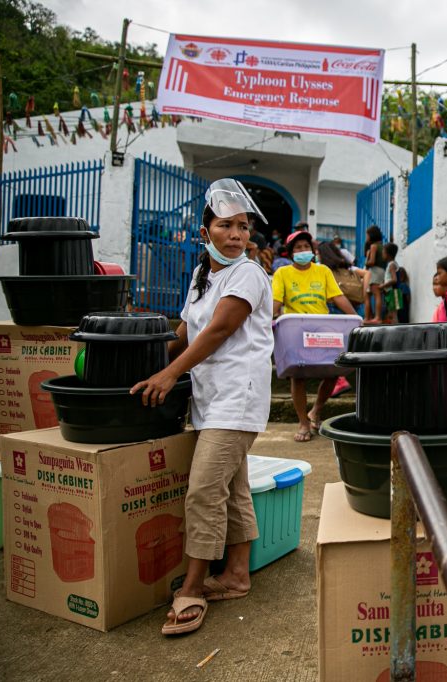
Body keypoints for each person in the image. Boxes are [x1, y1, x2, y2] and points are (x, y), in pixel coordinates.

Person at [131, 178, 274, 636]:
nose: (236, 234)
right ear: (204, 231)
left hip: (238, 396)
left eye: (243, 226)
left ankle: (192, 586)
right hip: (210, 399)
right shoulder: (201, 277)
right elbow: (186, 332)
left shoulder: (248, 273)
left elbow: (217, 331)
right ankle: (234, 575)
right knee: (232, 488)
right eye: (226, 225)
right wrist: (147, 353)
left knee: (203, 490)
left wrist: (170, 374)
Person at [272, 230, 357, 442]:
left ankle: (316, 411)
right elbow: (276, 302)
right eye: (298, 248)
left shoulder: (323, 271)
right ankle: (303, 422)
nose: (303, 251)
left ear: (313, 251)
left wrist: (356, 318)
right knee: (297, 376)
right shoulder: (283, 273)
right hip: (295, 330)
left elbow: (337, 297)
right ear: (291, 253)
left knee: (333, 372)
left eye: (306, 247)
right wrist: (269, 317)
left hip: (321, 328)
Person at [364, 225, 388, 323]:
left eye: (367, 235)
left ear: (371, 235)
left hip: (375, 271)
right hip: (382, 271)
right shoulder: (382, 246)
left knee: (376, 295)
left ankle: (377, 317)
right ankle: (377, 317)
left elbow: (372, 261)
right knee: (379, 294)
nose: (366, 237)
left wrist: (366, 263)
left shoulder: (373, 246)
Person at [382, 243, 402, 324]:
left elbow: (394, 280)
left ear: (388, 254)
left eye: (383, 253)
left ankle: (396, 329)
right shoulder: (391, 264)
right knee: (391, 313)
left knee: (393, 314)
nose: (382, 255)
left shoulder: (392, 265)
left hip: (394, 292)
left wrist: (382, 286)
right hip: (392, 292)